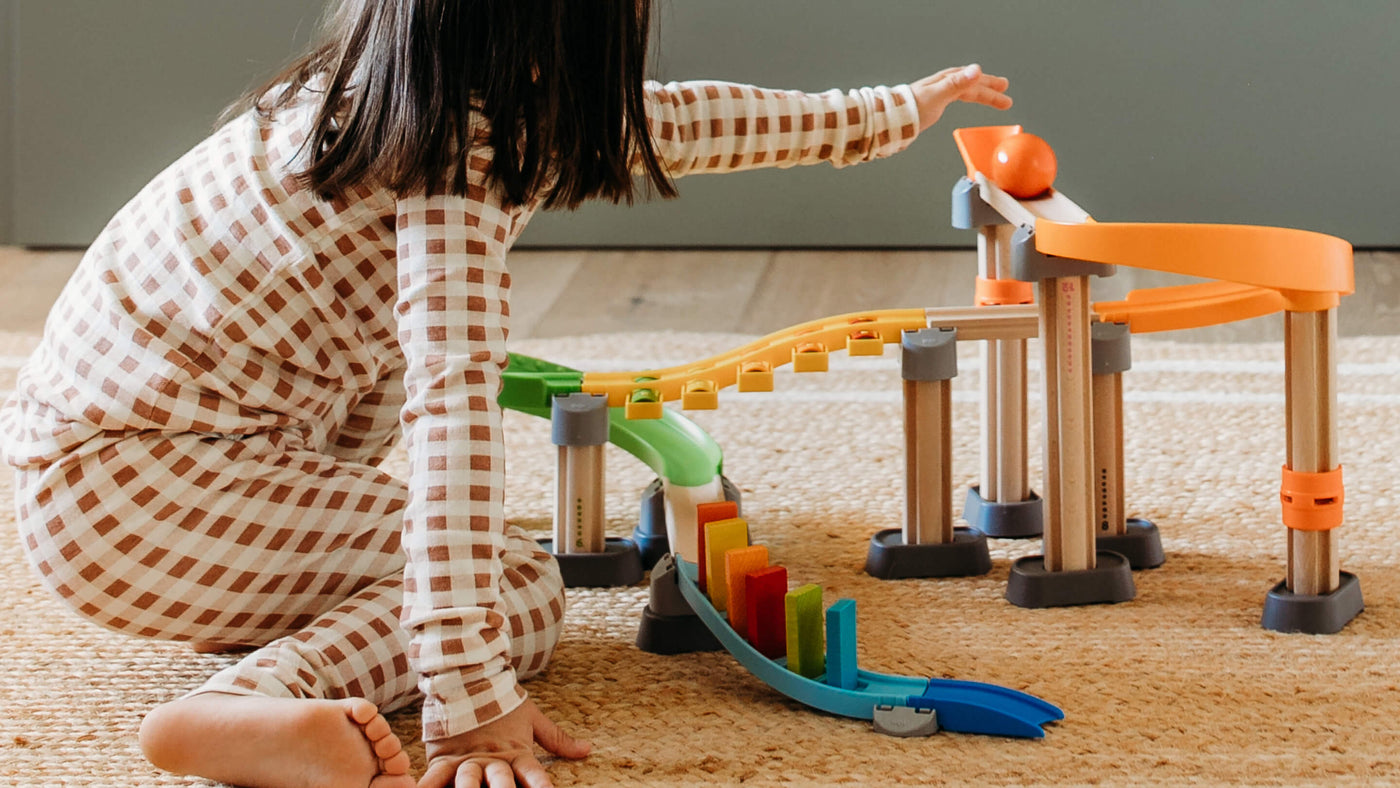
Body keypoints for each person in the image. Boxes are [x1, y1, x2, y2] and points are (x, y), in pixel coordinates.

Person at [0, 1, 1011, 786]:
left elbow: (679, 123)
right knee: (517, 587)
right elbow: (451, 421)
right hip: (140, 493)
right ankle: (250, 699)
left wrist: (885, 115)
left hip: (110, 480)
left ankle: (278, 660)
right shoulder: (451, 167)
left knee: (452, 569)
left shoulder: (390, 101)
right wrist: (468, 698)